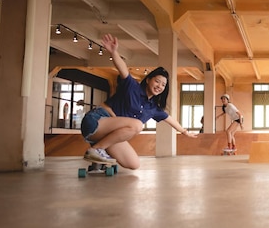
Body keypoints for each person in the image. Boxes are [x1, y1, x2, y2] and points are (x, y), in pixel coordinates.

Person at [80, 33, 197, 169]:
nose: (159, 86)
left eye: (163, 85)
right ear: (148, 80)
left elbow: (169, 119)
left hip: (108, 133)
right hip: (96, 121)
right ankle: (96, 150)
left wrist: (185, 132)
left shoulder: (153, 107)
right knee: (137, 125)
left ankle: (98, 157)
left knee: (134, 164)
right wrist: (114, 52)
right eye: (157, 81)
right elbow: (123, 69)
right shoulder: (132, 87)